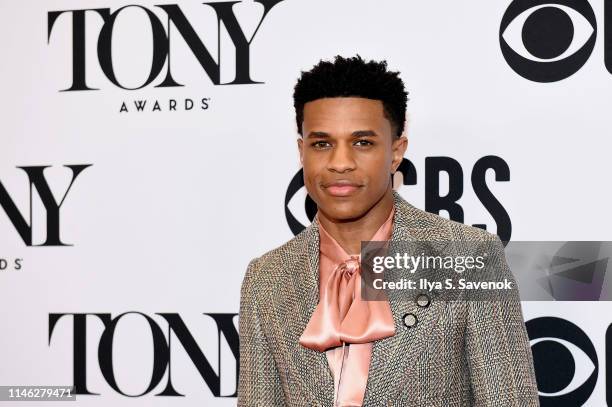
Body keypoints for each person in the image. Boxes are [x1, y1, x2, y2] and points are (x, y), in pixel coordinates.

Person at [237, 54, 540, 406]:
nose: (340, 163)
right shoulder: (267, 278)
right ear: (302, 152)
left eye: (362, 142)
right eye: (322, 144)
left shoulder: (468, 258)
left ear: (396, 152)